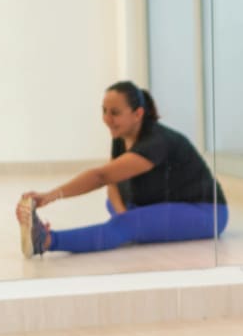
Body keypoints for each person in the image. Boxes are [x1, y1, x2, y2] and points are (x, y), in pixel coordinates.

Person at [15, 81, 228, 257]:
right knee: (117, 207)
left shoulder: (157, 142)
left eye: (115, 112)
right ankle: (131, 224)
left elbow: (101, 176)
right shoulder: (122, 136)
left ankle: (45, 240)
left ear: (138, 114)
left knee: (123, 226)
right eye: (104, 111)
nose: (107, 119)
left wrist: (50, 196)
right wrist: (122, 214)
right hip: (158, 203)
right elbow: (111, 182)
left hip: (207, 213)